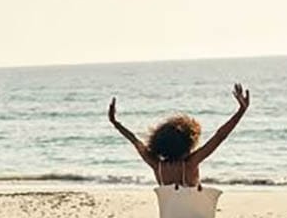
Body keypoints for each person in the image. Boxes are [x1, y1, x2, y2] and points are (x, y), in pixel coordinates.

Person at [108, 84, 251, 218]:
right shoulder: (191, 164)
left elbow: (135, 140)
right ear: (187, 143)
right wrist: (241, 111)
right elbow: (219, 136)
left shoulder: (157, 166)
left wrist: (115, 123)